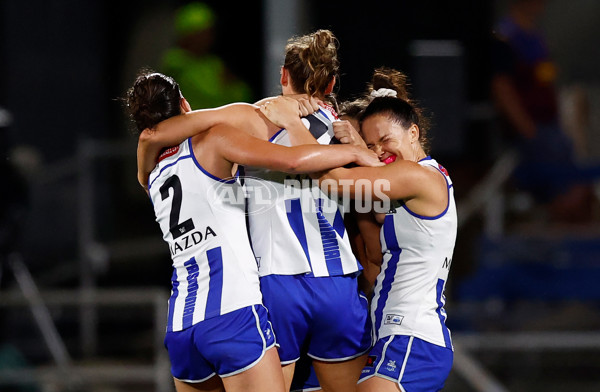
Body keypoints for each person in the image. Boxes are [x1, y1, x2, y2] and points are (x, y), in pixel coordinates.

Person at [140, 30, 375, 392]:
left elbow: (158, 134)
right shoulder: (346, 129)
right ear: (330, 83)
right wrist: (358, 150)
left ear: (283, 76)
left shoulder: (252, 120)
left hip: (271, 284)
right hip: (337, 281)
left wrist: (144, 162)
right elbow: (371, 199)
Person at [310, 67, 456, 391]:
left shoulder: (419, 176)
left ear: (414, 134)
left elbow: (337, 183)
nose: (379, 151)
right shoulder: (405, 187)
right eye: (372, 144)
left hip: (411, 338)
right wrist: (358, 152)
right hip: (396, 337)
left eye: (385, 140)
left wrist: (295, 148)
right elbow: (374, 238)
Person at [491, 0, 596, 222]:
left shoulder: (536, 37)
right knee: (565, 192)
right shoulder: (507, 37)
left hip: (551, 127)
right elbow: (502, 88)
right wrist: (527, 129)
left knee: (581, 186)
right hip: (533, 132)